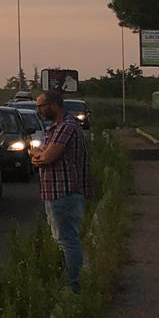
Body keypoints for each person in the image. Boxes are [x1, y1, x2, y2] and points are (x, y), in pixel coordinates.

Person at [32, 88, 91, 292]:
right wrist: (40, 155)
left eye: (41, 106)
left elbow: (47, 156)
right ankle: (69, 280)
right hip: (54, 192)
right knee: (61, 238)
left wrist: (41, 157)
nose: (38, 110)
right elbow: (39, 153)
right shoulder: (55, 128)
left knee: (67, 239)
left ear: (53, 105)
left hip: (65, 192)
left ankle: (74, 284)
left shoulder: (67, 127)